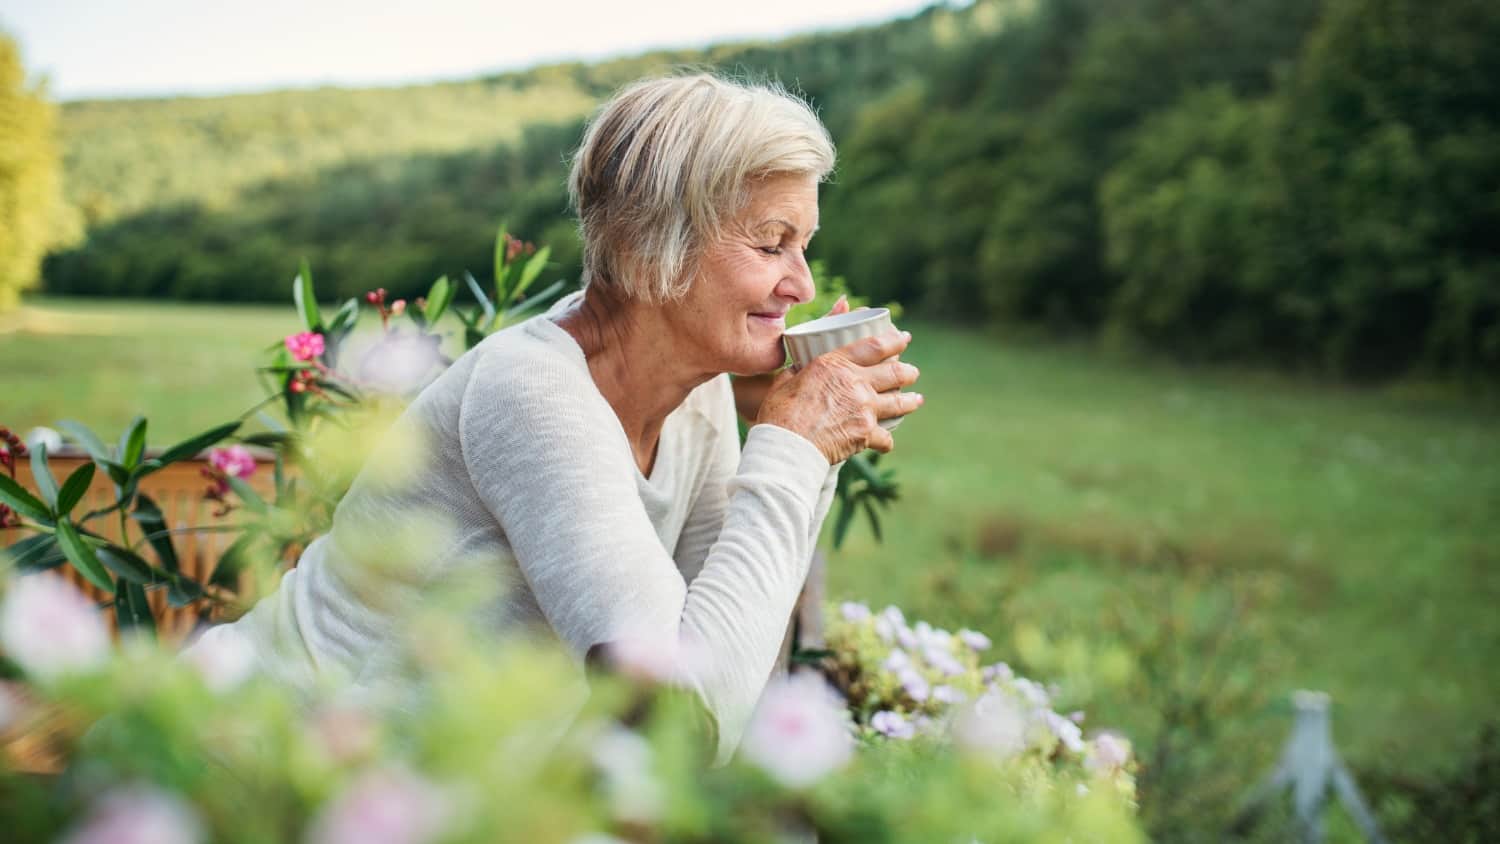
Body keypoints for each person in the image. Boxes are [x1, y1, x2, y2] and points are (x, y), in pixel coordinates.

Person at [186, 73, 924, 765]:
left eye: (803, 246)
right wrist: (794, 450)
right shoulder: (532, 392)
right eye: (771, 244)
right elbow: (678, 717)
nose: (799, 282)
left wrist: (809, 449)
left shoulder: (693, 390)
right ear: (646, 248)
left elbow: (724, 671)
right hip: (258, 765)